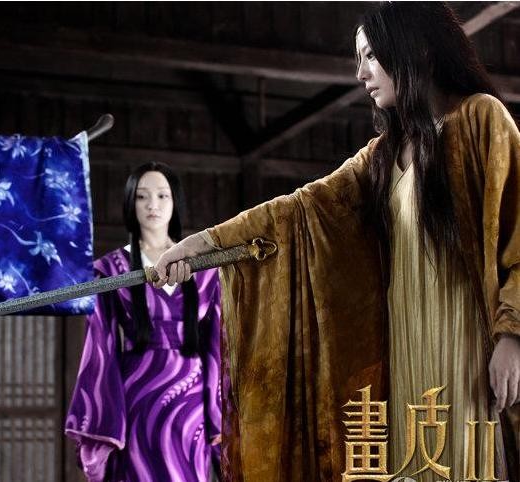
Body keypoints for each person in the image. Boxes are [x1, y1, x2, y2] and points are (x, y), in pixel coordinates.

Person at [153, 3, 520, 481]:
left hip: (467, 343)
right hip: (403, 346)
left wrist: (512, 336)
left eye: (371, 56)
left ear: (415, 51)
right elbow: (297, 213)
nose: (360, 72)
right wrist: (202, 244)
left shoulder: (481, 120)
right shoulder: (382, 157)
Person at [65, 162, 222, 481]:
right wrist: (106, 418)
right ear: (130, 203)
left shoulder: (205, 267)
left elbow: (218, 346)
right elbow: (100, 346)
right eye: (142, 196)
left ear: (175, 202)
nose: (153, 204)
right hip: (137, 398)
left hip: (191, 403)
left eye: (163, 195)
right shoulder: (110, 269)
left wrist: (218, 416)